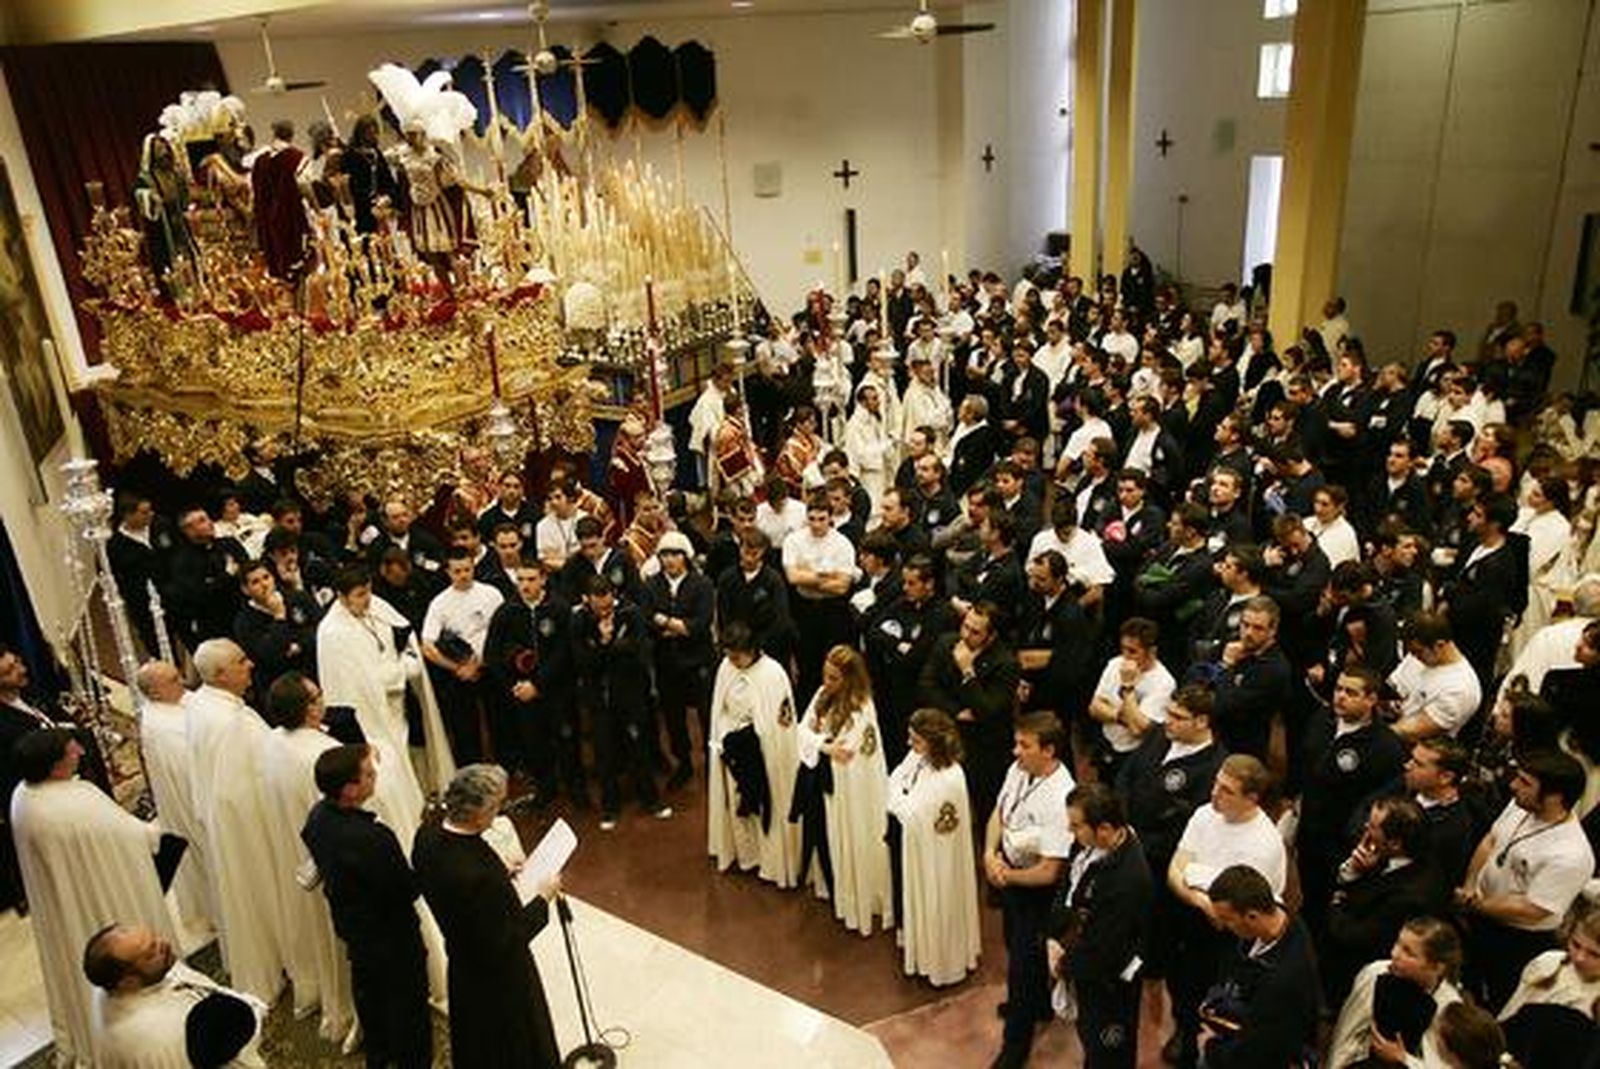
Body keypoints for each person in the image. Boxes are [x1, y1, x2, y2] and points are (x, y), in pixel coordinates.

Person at [10, 730, 176, 1066]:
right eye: (72, 752)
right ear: (55, 766)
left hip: (68, 903)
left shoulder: (23, 796)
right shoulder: (79, 801)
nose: (81, 754)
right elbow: (134, 837)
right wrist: (163, 826)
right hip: (103, 895)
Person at [413, 764, 561, 1069]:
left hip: (463, 966)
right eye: (496, 807)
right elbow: (509, 938)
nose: (498, 814)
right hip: (500, 979)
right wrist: (543, 898)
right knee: (515, 1045)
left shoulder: (426, 837)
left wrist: (501, 873)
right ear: (479, 814)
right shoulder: (475, 877)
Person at [301, 745, 433, 1069]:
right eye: (369, 775)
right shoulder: (373, 838)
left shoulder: (318, 817)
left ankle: (379, 1056)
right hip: (392, 937)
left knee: (371, 1001)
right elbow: (406, 889)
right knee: (409, 1010)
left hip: (354, 930)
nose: (376, 778)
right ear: (349, 789)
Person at [1165, 754, 1288, 1067]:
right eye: (1216, 784)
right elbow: (1175, 869)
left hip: (1232, 937)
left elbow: (1234, 914)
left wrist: (1195, 881)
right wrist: (1200, 900)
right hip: (1195, 915)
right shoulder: (1204, 815)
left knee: (1217, 999)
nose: (1214, 793)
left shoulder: (1263, 844)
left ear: (1252, 798)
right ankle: (1184, 1030)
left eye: (1226, 790)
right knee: (1182, 981)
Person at [185, 639, 289, 1004]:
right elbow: (253, 778)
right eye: (241, 661)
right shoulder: (230, 721)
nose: (251, 665)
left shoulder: (200, 703)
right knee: (262, 887)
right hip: (248, 823)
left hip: (226, 817)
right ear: (219, 674)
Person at [1458, 748, 1595, 1009]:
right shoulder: (1521, 805)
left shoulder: (1571, 854)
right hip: (1480, 914)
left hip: (1515, 939)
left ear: (1555, 797)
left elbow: (1532, 910)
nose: (1513, 785)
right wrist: (1470, 885)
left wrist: (1475, 904)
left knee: (1496, 1001)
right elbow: (1492, 840)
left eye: (1525, 782)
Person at [258, 673, 354, 1044]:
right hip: (330, 855)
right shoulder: (322, 753)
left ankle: (318, 984)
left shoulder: (272, 740)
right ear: (310, 709)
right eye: (318, 695)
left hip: (292, 846)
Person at [984, 712, 1075, 1069]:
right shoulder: (1019, 769)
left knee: (1022, 964)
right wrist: (989, 853)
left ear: (1048, 751)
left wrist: (1006, 875)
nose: (1015, 751)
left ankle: (1016, 1044)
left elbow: (1050, 871)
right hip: (1011, 874)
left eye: (1024, 745)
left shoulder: (1061, 796)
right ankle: (1037, 1004)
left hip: (1036, 891)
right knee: (1013, 944)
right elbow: (999, 812)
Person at [317, 567, 451, 803]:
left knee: (410, 749)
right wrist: (402, 669)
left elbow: (402, 635)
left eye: (368, 591)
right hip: (369, 709)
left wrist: (408, 658)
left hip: (398, 700)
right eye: (360, 594)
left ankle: (421, 795)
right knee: (389, 758)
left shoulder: (376, 606)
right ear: (342, 597)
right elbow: (358, 679)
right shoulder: (333, 632)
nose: (368, 599)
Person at [1047, 783, 1153, 1069]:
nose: (1071, 831)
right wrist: (1054, 935)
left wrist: (1063, 966)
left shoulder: (1127, 880)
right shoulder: (1088, 844)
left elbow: (1106, 949)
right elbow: (1068, 886)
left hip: (1110, 983)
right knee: (1090, 1038)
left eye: (1076, 826)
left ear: (1104, 828)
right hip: (1084, 961)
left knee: (1108, 1051)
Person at [796, 645, 893, 934]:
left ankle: (855, 896)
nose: (827, 682)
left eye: (834, 678)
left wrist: (821, 744)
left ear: (850, 679)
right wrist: (823, 745)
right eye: (825, 675)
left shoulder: (861, 708)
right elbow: (802, 730)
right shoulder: (822, 695)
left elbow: (849, 754)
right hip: (823, 780)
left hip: (850, 790)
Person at [85, 923, 267, 1069]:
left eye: (155, 937)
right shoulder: (158, 1041)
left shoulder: (121, 983)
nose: (164, 944)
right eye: (151, 952)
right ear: (128, 981)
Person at [885, 708, 980, 986]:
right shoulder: (918, 757)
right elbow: (895, 777)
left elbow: (910, 814)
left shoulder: (948, 778)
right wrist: (900, 796)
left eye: (915, 740)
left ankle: (942, 963)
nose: (909, 744)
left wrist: (897, 798)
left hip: (939, 857)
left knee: (939, 902)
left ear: (934, 742)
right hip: (918, 848)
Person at [707, 622, 802, 887]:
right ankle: (745, 855)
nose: (732, 662)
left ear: (752, 650)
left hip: (763, 753)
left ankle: (770, 860)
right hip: (733, 748)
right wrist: (725, 736)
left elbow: (780, 724)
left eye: (737, 657)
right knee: (738, 804)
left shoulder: (773, 674)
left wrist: (753, 736)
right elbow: (720, 708)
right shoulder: (727, 667)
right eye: (728, 656)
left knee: (765, 804)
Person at [573, 574, 672, 830]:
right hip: (599, 698)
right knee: (604, 754)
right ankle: (610, 807)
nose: (604, 612)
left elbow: (640, 652)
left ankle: (651, 800)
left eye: (608, 606)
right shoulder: (579, 620)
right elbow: (582, 662)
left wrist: (605, 649)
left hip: (630, 695)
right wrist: (606, 644)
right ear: (587, 600)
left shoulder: (631, 614)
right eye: (599, 607)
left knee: (640, 748)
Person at [1198, 864, 1321, 1068]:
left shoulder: (1282, 982)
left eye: (1227, 919)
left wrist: (1210, 1048)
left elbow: (1256, 1054)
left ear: (1252, 917)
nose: (1223, 925)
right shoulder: (1280, 916)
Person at [483, 557, 582, 805]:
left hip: (558, 691)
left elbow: (566, 652)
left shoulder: (559, 609)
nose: (525, 585)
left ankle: (576, 790)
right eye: (520, 580)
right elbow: (491, 655)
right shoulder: (506, 612)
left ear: (543, 579)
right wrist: (514, 687)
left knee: (567, 741)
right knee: (534, 744)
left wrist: (538, 684)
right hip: (523, 694)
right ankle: (545, 790)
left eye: (531, 579)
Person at [919, 602, 1020, 822]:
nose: (965, 635)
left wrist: (967, 672)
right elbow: (927, 684)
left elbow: (986, 710)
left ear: (991, 636)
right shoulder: (946, 643)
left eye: (975, 632)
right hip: (950, 735)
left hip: (985, 748)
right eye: (965, 626)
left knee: (984, 808)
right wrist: (955, 711)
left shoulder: (1006, 663)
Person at [133, 661, 212, 934]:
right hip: (191, 800)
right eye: (173, 680)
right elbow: (187, 768)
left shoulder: (177, 699)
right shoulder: (161, 728)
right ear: (154, 693)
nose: (182, 683)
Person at [1326, 916, 1465, 1069]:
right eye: (1397, 943)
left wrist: (1403, 1058)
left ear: (1437, 967)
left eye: (1408, 953)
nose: (1394, 954)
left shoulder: (1448, 1006)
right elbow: (1347, 1037)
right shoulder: (1375, 974)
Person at [644, 531, 717, 789]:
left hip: (698, 661)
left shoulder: (702, 584)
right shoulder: (651, 585)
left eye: (675, 554)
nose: (670, 560)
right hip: (667, 663)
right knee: (674, 719)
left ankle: (711, 764)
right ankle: (683, 763)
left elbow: (700, 624)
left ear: (685, 556)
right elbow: (646, 620)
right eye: (665, 555)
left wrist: (664, 621)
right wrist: (680, 626)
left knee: (707, 715)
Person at [422, 545, 505, 765]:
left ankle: (507, 765)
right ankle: (471, 770)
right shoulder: (439, 603)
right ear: (448, 572)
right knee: (465, 730)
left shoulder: (492, 594)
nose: (463, 575)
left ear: (473, 566)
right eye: (457, 571)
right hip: (459, 673)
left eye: (467, 569)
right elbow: (427, 646)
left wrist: (479, 662)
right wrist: (458, 668)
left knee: (500, 722)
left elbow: (504, 633)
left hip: (491, 668)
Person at [1499, 896, 1600, 1063]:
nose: (1580, 957)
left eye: (1594, 954)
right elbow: (1509, 1016)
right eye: (1575, 945)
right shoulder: (1548, 963)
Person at [1087, 616, 1176, 782]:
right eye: (1123, 649)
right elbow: (1094, 708)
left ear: (1152, 652)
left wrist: (1127, 688)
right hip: (1108, 745)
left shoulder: (1164, 682)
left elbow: (1138, 730)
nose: (1126, 657)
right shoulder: (1114, 664)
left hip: (1135, 755)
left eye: (1133, 651)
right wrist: (1122, 716)